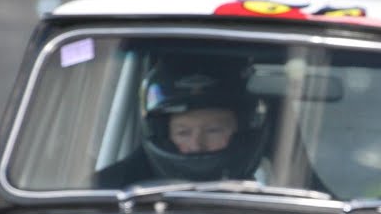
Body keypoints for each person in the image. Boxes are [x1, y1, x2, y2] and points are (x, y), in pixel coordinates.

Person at [95, 56, 269, 188]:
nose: (197, 145)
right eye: (183, 133)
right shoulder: (113, 191)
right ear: (164, 135)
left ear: (242, 131)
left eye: (213, 130)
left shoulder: (274, 197)